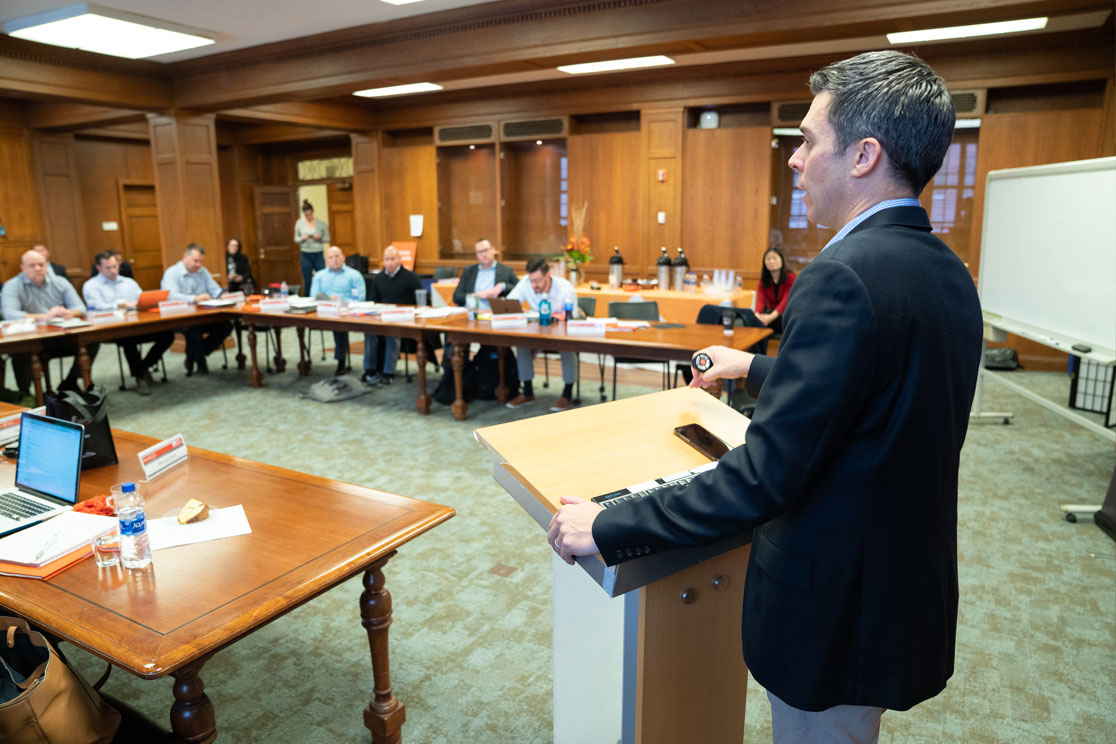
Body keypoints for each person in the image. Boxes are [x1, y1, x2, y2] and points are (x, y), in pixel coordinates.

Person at [547, 50, 984, 742]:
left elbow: (764, 476)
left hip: (834, 609)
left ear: (864, 154)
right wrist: (750, 371)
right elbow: (879, 399)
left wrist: (606, 527)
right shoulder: (942, 269)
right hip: (894, 590)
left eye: (809, 140)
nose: (794, 159)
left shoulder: (842, 276)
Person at [2, 250, 98, 393]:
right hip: (31, 339)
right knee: (21, 351)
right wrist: (45, 317)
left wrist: (69, 313)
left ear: (47, 265)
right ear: (22, 268)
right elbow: (10, 314)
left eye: (41, 264)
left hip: (59, 335)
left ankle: (70, 381)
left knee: (91, 340)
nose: (38, 268)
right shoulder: (12, 285)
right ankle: (26, 394)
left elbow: (80, 308)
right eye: (32, 265)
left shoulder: (60, 282)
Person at [83, 250, 174, 395]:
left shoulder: (129, 283)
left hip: (136, 324)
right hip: (110, 329)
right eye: (108, 268)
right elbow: (96, 307)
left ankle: (143, 368)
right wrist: (123, 305)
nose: (113, 271)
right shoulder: (91, 286)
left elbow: (141, 300)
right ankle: (140, 376)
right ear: (99, 268)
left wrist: (144, 303)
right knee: (128, 339)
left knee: (167, 335)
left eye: (115, 266)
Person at [504, 257, 578, 412]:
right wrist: (519, 311)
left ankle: (567, 394)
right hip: (536, 331)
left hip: (560, 332)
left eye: (537, 281)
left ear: (548, 276)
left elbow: (573, 316)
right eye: (531, 281)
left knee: (568, 346)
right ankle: (528, 392)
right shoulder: (526, 283)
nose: (534, 285)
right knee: (521, 344)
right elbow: (508, 303)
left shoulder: (565, 288)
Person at [160, 244, 232, 376]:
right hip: (181, 318)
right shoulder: (172, 273)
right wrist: (194, 298)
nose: (199, 265)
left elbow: (215, 290)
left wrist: (223, 296)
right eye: (195, 261)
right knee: (193, 330)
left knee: (226, 326)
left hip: (203, 316)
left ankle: (193, 356)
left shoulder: (202, 271)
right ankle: (201, 363)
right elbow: (170, 296)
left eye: (201, 261)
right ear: (185, 257)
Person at [363, 245, 423, 385]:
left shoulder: (410, 277)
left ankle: (388, 372)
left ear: (399, 260)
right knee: (369, 332)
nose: (389, 263)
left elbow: (420, 301)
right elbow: (373, 301)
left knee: (392, 334)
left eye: (392, 259)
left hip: (402, 318)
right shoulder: (379, 278)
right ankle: (370, 369)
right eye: (386, 259)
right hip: (382, 316)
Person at [309, 245, 365, 376]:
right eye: (331, 257)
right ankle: (305, 360)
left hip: (345, 311)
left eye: (337, 256)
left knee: (339, 326)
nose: (334, 260)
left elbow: (360, 299)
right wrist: (328, 300)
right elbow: (313, 296)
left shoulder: (354, 275)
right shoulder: (319, 276)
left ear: (343, 258)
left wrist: (341, 302)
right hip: (323, 310)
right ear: (326, 260)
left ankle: (341, 362)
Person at [453, 238, 517, 310]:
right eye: (480, 252)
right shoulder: (468, 271)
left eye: (486, 250)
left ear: (493, 250)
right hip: (471, 313)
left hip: (494, 312)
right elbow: (456, 297)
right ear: (476, 255)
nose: (484, 254)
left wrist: (503, 286)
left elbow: (519, 287)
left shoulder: (506, 271)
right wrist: (476, 295)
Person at [294, 200, 329, 295]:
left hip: (318, 252)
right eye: (306, 215)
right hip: (306, 253)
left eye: (310, 214)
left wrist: (319, 238)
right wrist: (302, 238)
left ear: (313, 212)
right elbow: (296, 239)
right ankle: (307, 297)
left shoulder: (321, 223)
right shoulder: (299, 223)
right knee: (307, 279)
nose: (308, 217)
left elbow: (327, 239)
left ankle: (322, 296)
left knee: (321, 276)